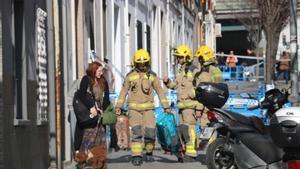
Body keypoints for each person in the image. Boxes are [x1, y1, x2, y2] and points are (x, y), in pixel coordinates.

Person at [115, 49, 170, 166]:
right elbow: (123, 91)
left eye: (144, 63)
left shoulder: (152, 76)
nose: (142, 65)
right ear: (135, 63)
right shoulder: (130, 76)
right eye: (140, 63)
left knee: (150, 132)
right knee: (136, 132)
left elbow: (160, 91)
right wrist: (119, 106)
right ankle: (136, 155)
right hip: (134, 110)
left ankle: (149, 151)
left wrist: (165, 106)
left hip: (148, 110)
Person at [163, 45, 199, 161]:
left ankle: (191, 154)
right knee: (183, 131)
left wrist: (191, 94)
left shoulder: (194, 70)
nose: (178, 59)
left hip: (190, 106)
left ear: (186, 57)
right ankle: (185, 152)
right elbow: (176, 86)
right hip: (181, 107)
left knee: (190, 129)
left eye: (180, 57)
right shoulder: (180, 71)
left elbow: (200, 87)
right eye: (177, 57)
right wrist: (168, 82)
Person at [74, 61, 109, 168]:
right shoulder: (86, 79)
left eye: (102, 71)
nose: (101, 73)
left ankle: (99, 164)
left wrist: (103, 108)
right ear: (93, 70)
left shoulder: (103, 80)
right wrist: (91, 106)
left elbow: (106, 96)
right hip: (89, 115)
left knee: (101, 141)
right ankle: (83, 162)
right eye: (99, 71)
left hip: (100, 115)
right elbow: (82, 94)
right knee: (88, 140)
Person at [193, 45, 223, 131]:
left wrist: (198, 109)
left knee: (206, 132)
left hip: (205, 108)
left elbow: (202, 92)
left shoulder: (205, 73)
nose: (199, 61)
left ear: (203, 58)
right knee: (214, 130)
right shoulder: (216, 70)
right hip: (216, 107)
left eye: (199, 58)